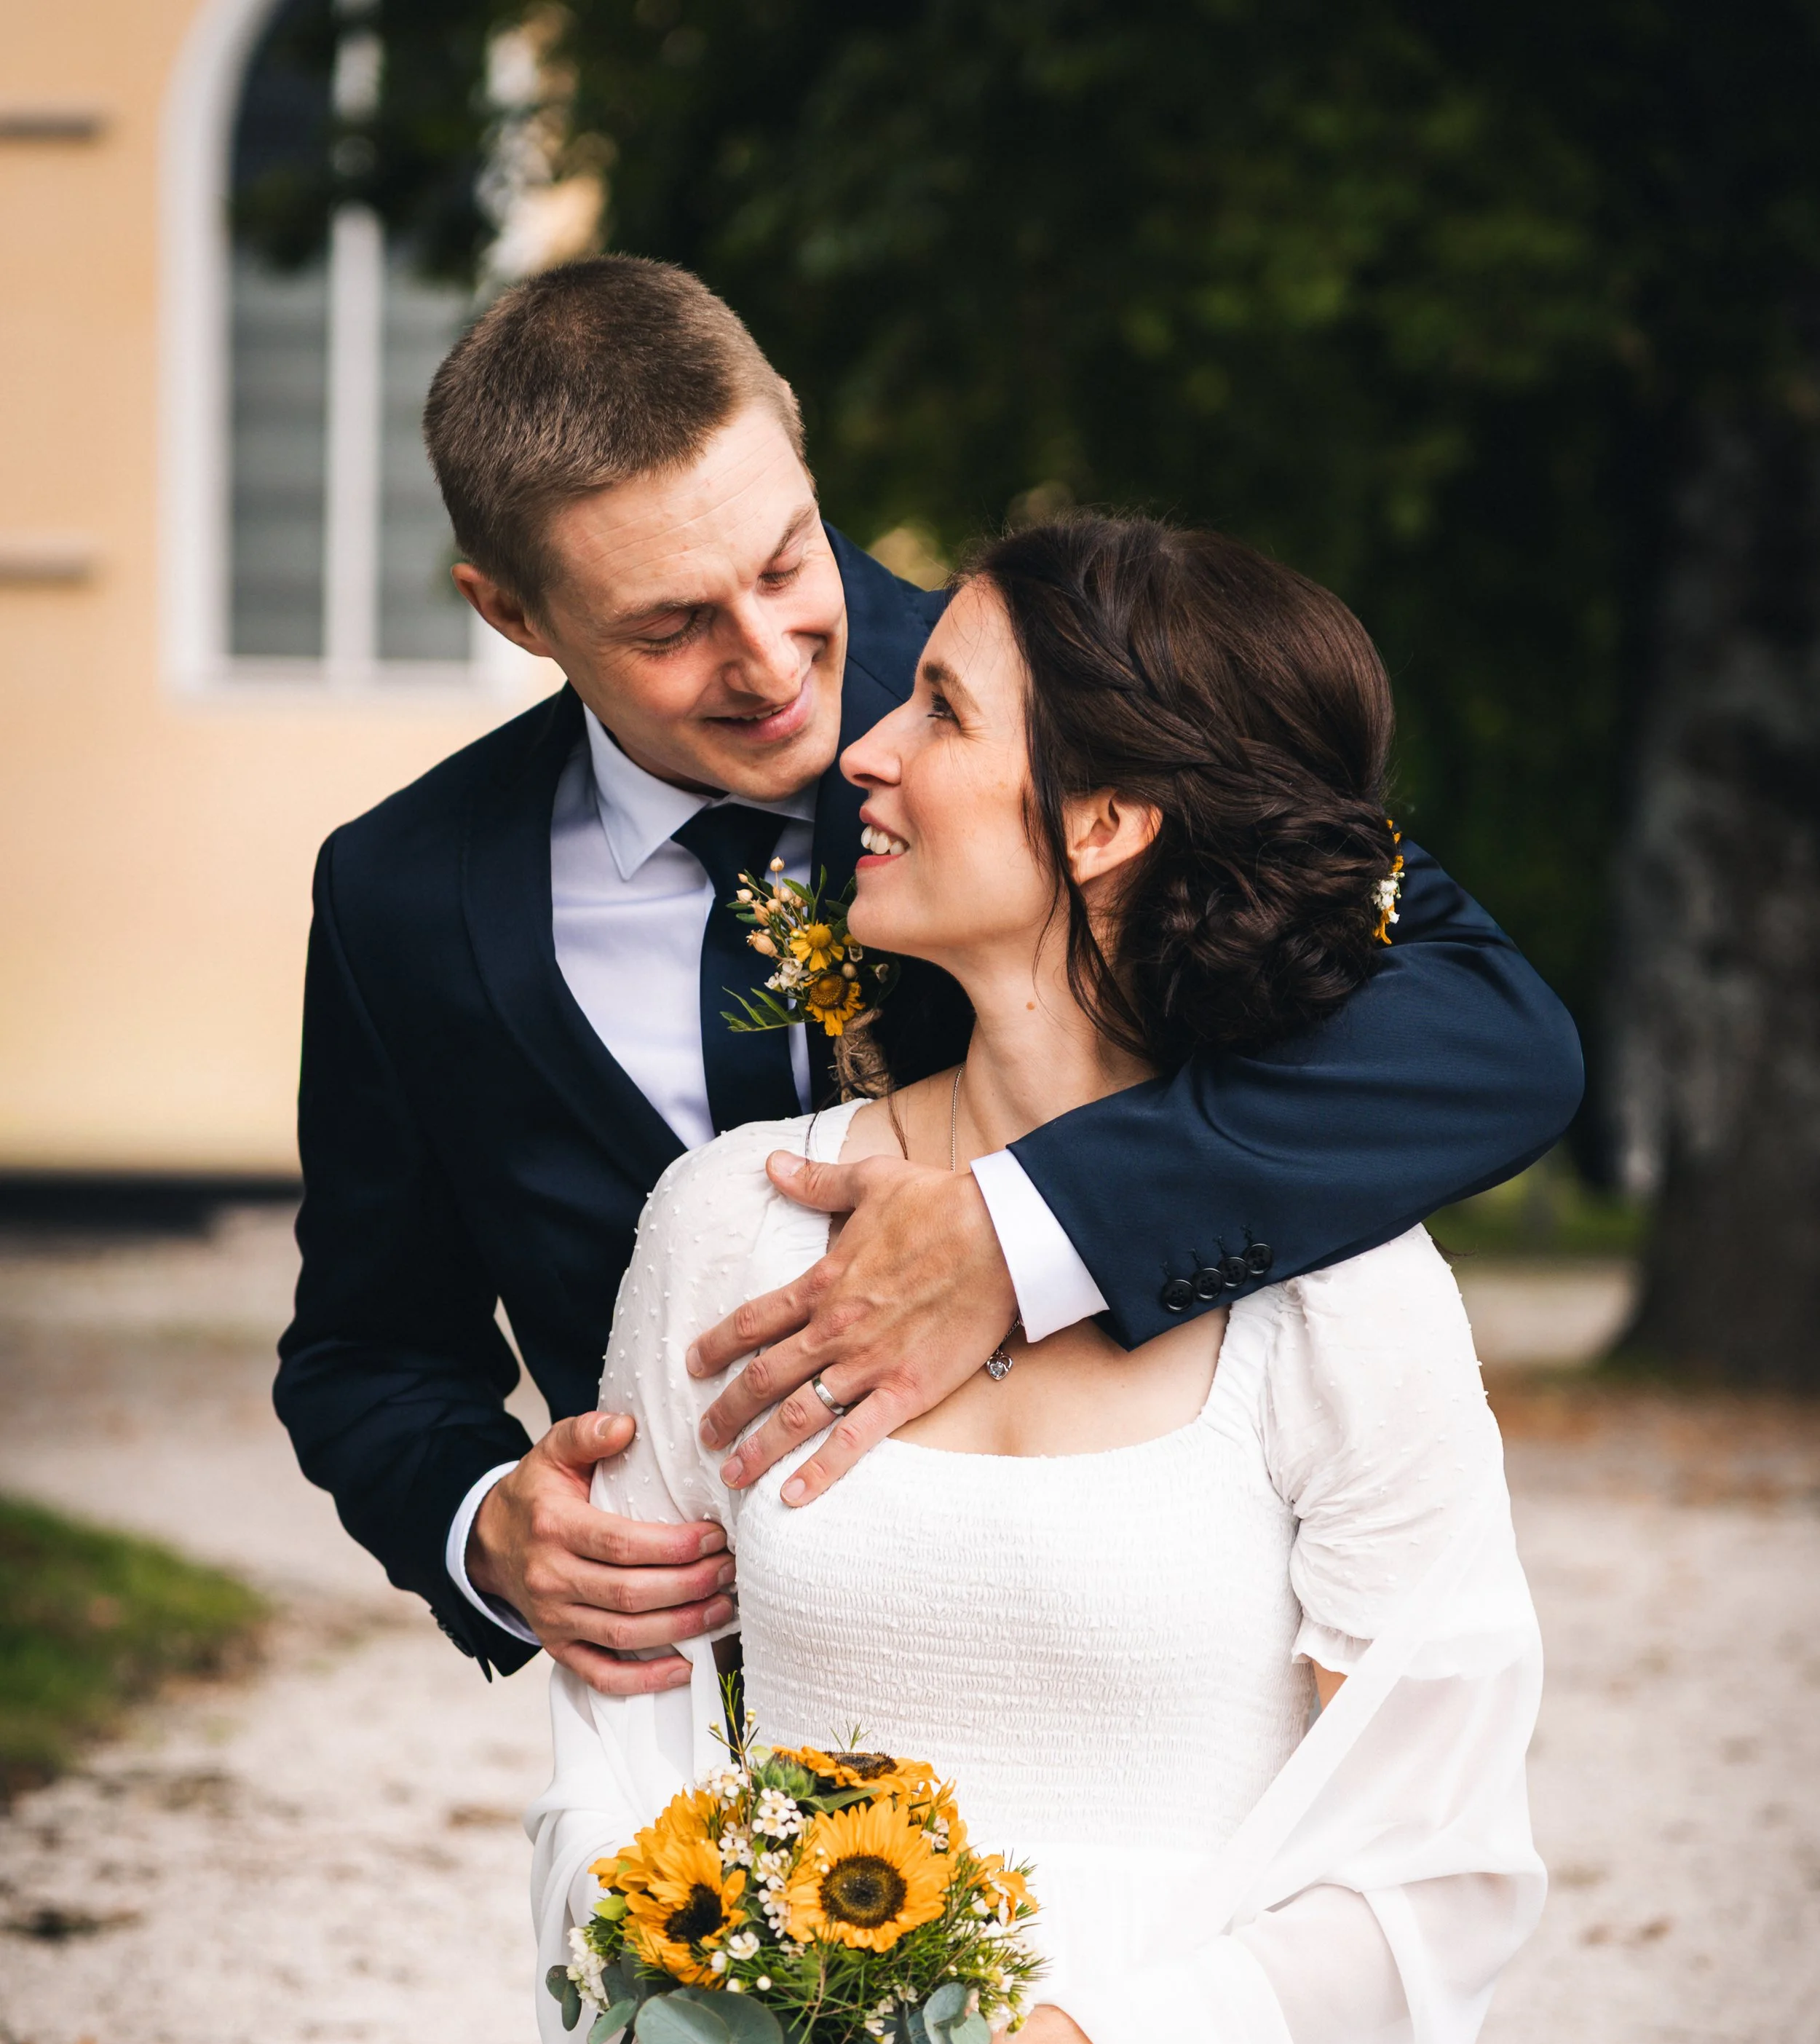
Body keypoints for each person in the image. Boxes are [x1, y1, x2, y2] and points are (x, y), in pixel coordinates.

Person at [502, 516, 1545, 2044]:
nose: (860, 745)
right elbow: (631, 1700)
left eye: (939, 710)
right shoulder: (726, 1222)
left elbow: (1432, 1845)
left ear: (1106, 817)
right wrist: (680, 2017)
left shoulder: (1340, 1289)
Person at [273, 256, 1581, 1695]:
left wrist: (1027, 1229)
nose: (770, 663)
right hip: (703, 1730)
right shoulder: (402, 894)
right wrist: (483, 1531)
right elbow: (367, 1347)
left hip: (1113, 1641)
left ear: (798, 452)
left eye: (783, 560)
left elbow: (1484, 1033)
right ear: (513, 614)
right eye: (668, 626)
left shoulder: (1060, 692)